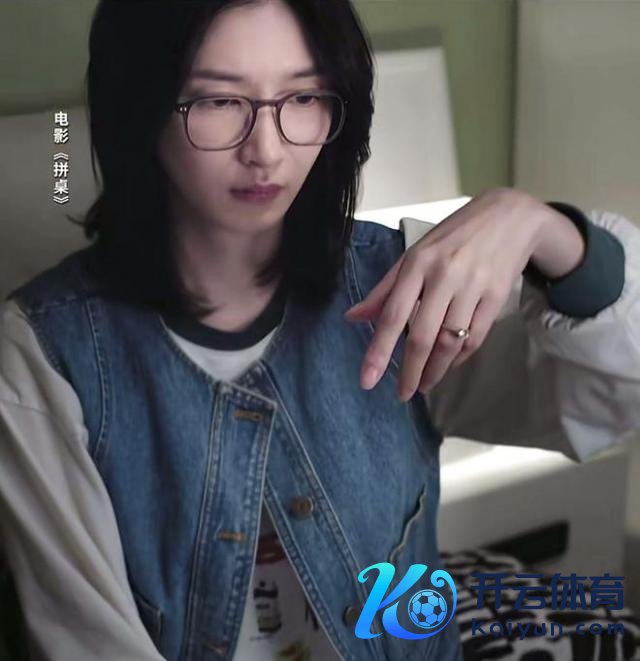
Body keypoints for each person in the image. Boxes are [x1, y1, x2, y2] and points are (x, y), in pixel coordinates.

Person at [0, 0, 639, 660]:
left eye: (303, 97)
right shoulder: (45, 356)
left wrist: (542, 227)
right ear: (141, 107)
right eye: (219, 101)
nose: (266, 150)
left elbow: (616, 394)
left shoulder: (398, 284)